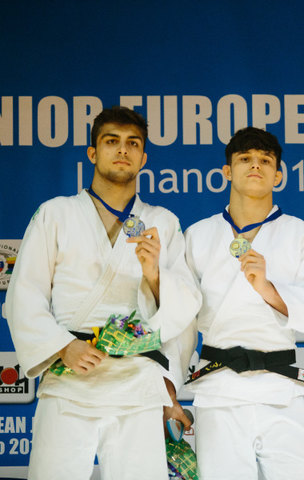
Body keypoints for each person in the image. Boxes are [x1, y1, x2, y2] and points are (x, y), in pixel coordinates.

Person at [6, 106, 201, 480]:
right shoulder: (56, 213)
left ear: (144, 157)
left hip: (139, 381)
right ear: (93, 153)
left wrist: (155, 276)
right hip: (69, 375)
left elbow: (185, 313)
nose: (122, 151)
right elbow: (23, 296)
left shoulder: (163, 222)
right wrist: (63, 346)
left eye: (132, 143)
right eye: (111, 141)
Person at [184, 127, 304, 480]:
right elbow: (182, 324)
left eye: (265, 160)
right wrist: (169, 389)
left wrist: (268, 289)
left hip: (282, 390)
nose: (256, 166)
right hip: (219, 389)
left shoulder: (302, 234)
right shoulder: (198, 235)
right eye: (245, 159)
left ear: (278, 174)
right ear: (227, 171)